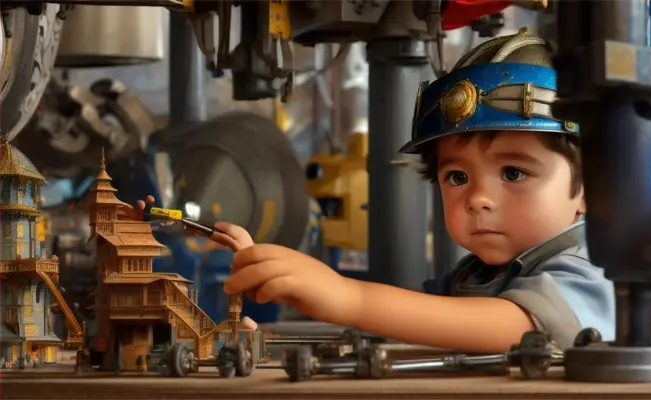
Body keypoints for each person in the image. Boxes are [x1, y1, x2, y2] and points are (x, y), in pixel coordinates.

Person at [131, 28, 615, 353]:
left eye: (513, 173)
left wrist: (348, 297)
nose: (477, 199)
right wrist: (277, 340)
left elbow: (521, 327)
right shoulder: (477, 276)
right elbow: (407, 333)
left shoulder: (587, 268)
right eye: (457, 176)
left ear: (587, 189)